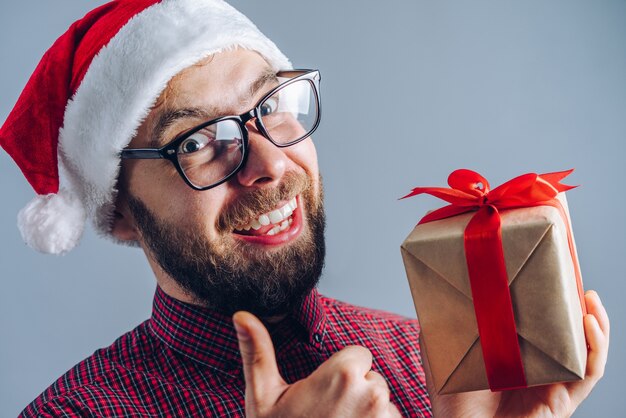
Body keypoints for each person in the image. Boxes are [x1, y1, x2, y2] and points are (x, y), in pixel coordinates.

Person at [0, 1, 609, 417]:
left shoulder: (424, 358)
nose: (269, 163)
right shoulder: (76, 411)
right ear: (122, 211)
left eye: (272, 105)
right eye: (197, 141)